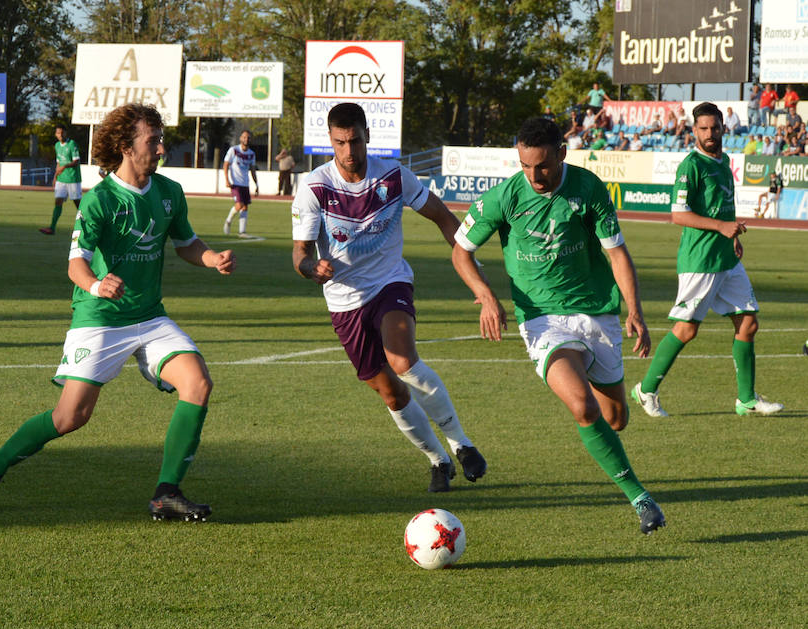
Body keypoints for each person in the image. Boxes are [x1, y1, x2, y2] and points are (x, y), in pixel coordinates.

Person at [0, 103, 237, 520]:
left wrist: (212, 258)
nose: (162, 147)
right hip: (100, 318)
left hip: (149, 316)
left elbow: (186, 244)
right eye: (153, 140)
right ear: (127, 147)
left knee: (198, 382)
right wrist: (97, 284)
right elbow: (76, 264)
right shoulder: (100, 201)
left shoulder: (169, 193)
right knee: (70, 416)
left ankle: (166, 493)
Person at [451, 117, 665, 535]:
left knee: (615, 419)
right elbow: (461, 252)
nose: (534, 176)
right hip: (542, 319)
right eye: (526, 165)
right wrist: (486, 296)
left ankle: (613, 439)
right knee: (583, 407)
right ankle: (642, 500)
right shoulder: (505, 197)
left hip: (597, 313)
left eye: (543, 165)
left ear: (561, 154)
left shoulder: (588, 189)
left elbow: (617, 254)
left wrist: (634, 310)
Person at [291, 102, 487, 493]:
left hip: (390, 283)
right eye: (340, 142)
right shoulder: (315, 186)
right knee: (390, 392)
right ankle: (438, 460)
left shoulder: (394, 177)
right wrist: (311, 269)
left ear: (368, 136)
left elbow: (444, 217)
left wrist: (471, 268)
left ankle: (461, 444)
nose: (349, 151)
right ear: (330, 140)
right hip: (344, 301)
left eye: (356, 140)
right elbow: (300, 253)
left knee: (402, 360)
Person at [631, 102, 783, 419]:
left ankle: (746, 399)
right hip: (700, 259)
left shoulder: (724, 160)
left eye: (714, 127)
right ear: (694, 130)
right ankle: (646, 390)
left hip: (726, 258)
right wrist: (721, 227)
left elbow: (721, 206)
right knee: (686, 330)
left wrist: (733, 236)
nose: (710, 133)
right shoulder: (691, 166)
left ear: (723, 128)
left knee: (748, 322)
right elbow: (678, 215)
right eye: (703, 128)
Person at [39, 126, 81, 235]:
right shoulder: (57, 145)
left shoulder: (72, 144)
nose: (60, 135)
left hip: (72, 178)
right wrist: (55, 176)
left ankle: (88, 226)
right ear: (56, 134)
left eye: (62, 133)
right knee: (58, 201)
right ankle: (52, 228)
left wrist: (65, 166)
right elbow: (58, 162)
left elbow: (76, 161)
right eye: (58, 133)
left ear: (66, 133)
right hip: (61, 179)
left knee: (78, 204)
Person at [223, 129, 260, 238]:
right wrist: (226, 179)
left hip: (245, 183)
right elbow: (226, 165)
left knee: (245, 207)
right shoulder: (233, 150)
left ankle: (242, 232)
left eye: (248, 137)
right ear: (240, 138)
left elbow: (253, 170)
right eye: (244, 137)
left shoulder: (251, 154)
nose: (246, 139)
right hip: (235, 183)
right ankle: (228, 221)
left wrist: (256, 184)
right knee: (239, 205)